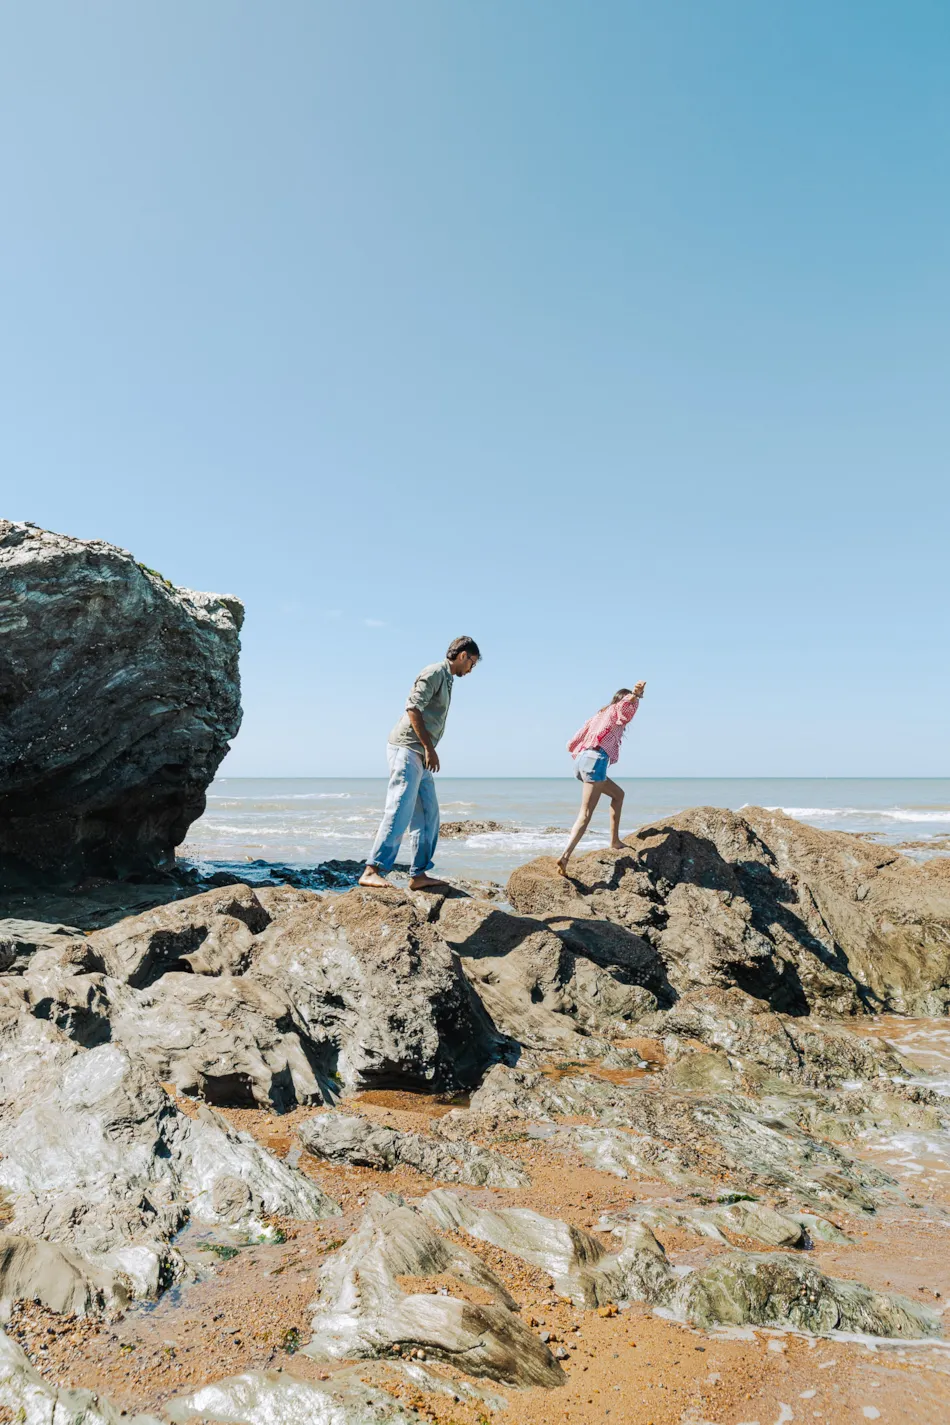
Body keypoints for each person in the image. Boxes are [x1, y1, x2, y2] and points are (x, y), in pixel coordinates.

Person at [358, 636, 481, 891]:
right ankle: (372, 870)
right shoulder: (435, 671)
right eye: (472, 663)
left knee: (429, 815)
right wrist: (429, 748)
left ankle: (419, 875)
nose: (471, 669)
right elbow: (413, 707)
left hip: (420, 754)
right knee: (399, 810)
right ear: (463, 656)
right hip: (407, 749)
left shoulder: (448, 679)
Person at [557, 681, 646, 875]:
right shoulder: (617, 710)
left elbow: (572, 742)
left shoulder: (598, 714)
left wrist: (583, 750)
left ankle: (614, 840)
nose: (631, 711)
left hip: (581, 761)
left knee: (618, 795)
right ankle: (565, 856)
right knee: (586, 813)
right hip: (595, 760)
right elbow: (624, 707)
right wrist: (635, 695)